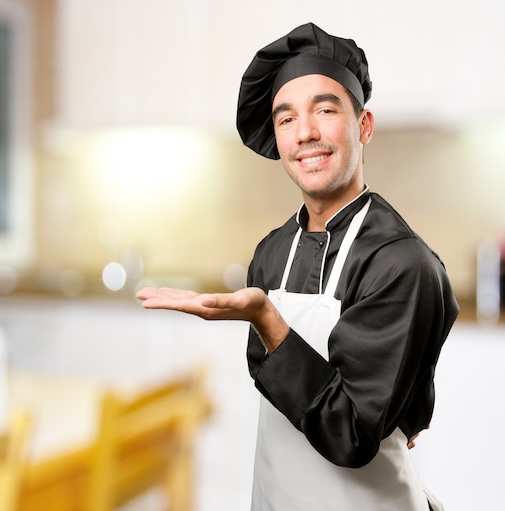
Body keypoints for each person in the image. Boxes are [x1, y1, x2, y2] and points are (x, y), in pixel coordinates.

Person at [137, 22, 459, 511]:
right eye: (285, 119)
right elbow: (271, 377)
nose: (305, 132)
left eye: (325, 110)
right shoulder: (271, 252)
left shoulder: (400, 261)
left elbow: (349, 435)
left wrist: (268, 319)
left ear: (363, 125)